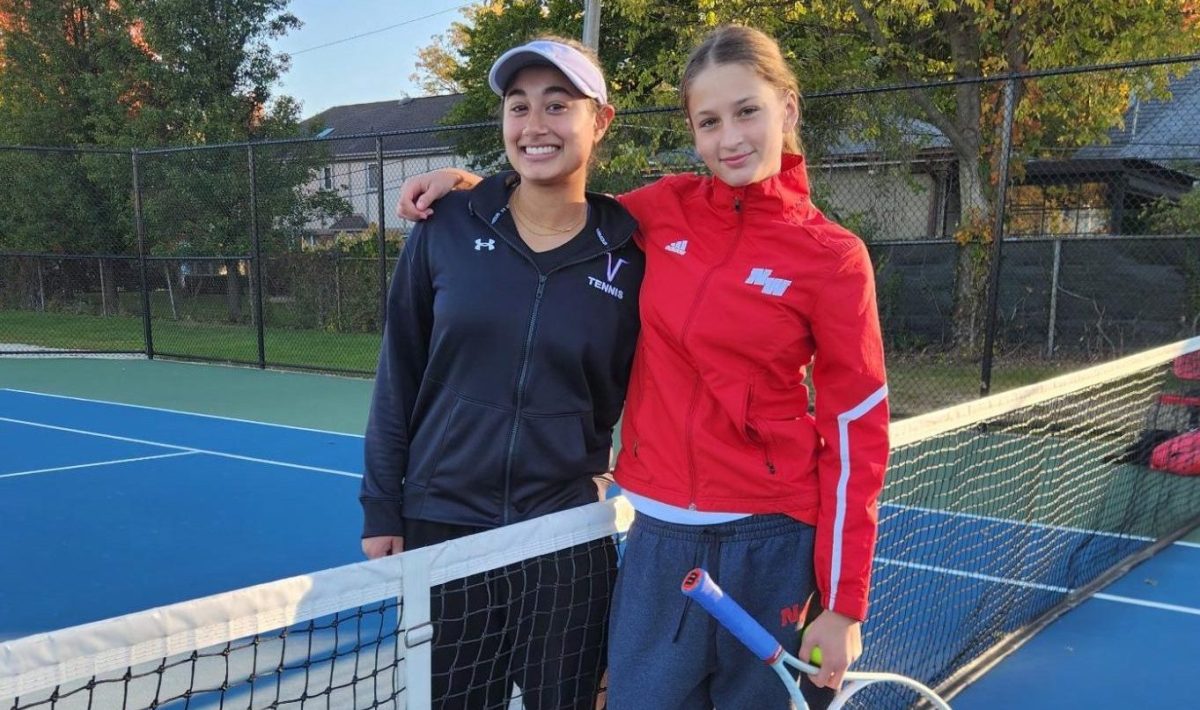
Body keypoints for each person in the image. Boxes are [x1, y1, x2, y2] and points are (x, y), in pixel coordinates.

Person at [397, 25, 889, 710]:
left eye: (747, 111)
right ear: (692, 131)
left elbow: (857, 434)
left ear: (788, 110)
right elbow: (552, 210)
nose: (730, 138)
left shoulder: (833, 258)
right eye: (709, 121)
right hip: (658, 540)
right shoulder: (660, 212)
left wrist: (843, 605)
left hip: (773, 541)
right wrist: (468, 187)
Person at [360, 36, 644, 710]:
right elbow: (398, 372)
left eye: (557, 104)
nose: (535, 125)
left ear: (599, 121)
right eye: (518, 107)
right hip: (443, 527)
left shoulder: (635, 254)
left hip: (564, 538)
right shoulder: (446, 226)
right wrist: (382, 504)